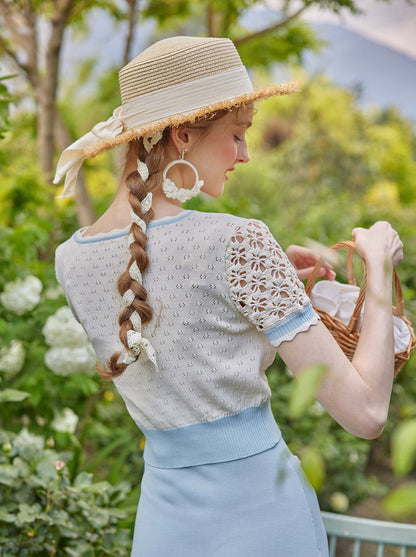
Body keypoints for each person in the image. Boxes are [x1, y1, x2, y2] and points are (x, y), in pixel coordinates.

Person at [53, 36, 403, 557]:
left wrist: (272, 284)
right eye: (237, 135)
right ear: (183, 134)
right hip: (263, 518)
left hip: (164, 530)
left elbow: (204, 362)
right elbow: (367, 413)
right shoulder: (235, 241)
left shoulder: (70, 258)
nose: (244, 153)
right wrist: (377, 268)